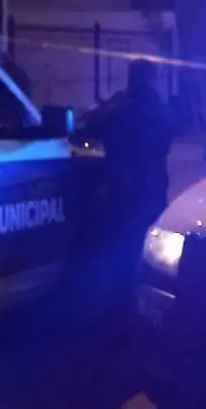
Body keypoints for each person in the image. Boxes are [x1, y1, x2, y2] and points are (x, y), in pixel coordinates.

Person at [80, 58, 176, 313]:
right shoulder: (162, 111)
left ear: (132, 77)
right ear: (153, 79)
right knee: (146, 252)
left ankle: (116, 306)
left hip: (120, 190)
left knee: (116, 249)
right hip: (151, 190)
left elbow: (86, 129)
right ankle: (138, 304)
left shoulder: (118, 109)